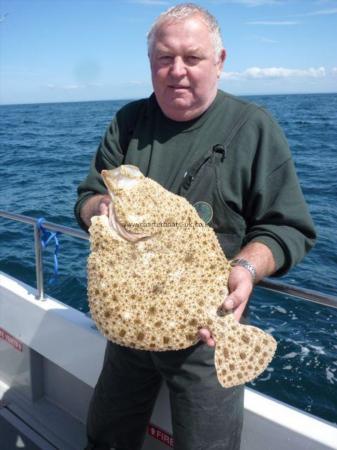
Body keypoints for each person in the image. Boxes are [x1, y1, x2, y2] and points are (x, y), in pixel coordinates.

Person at [75, 3, 316, 449]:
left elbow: (288, 229)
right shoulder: (128, 122)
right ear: (151, 64)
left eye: (193, 57)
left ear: (220, 62)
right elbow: (86, 199)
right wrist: (103, 208)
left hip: (209, 332)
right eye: (165, 59)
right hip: (130, 322)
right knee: (105, 436)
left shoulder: (253, 127)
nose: (177, 71)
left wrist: (244, 269)